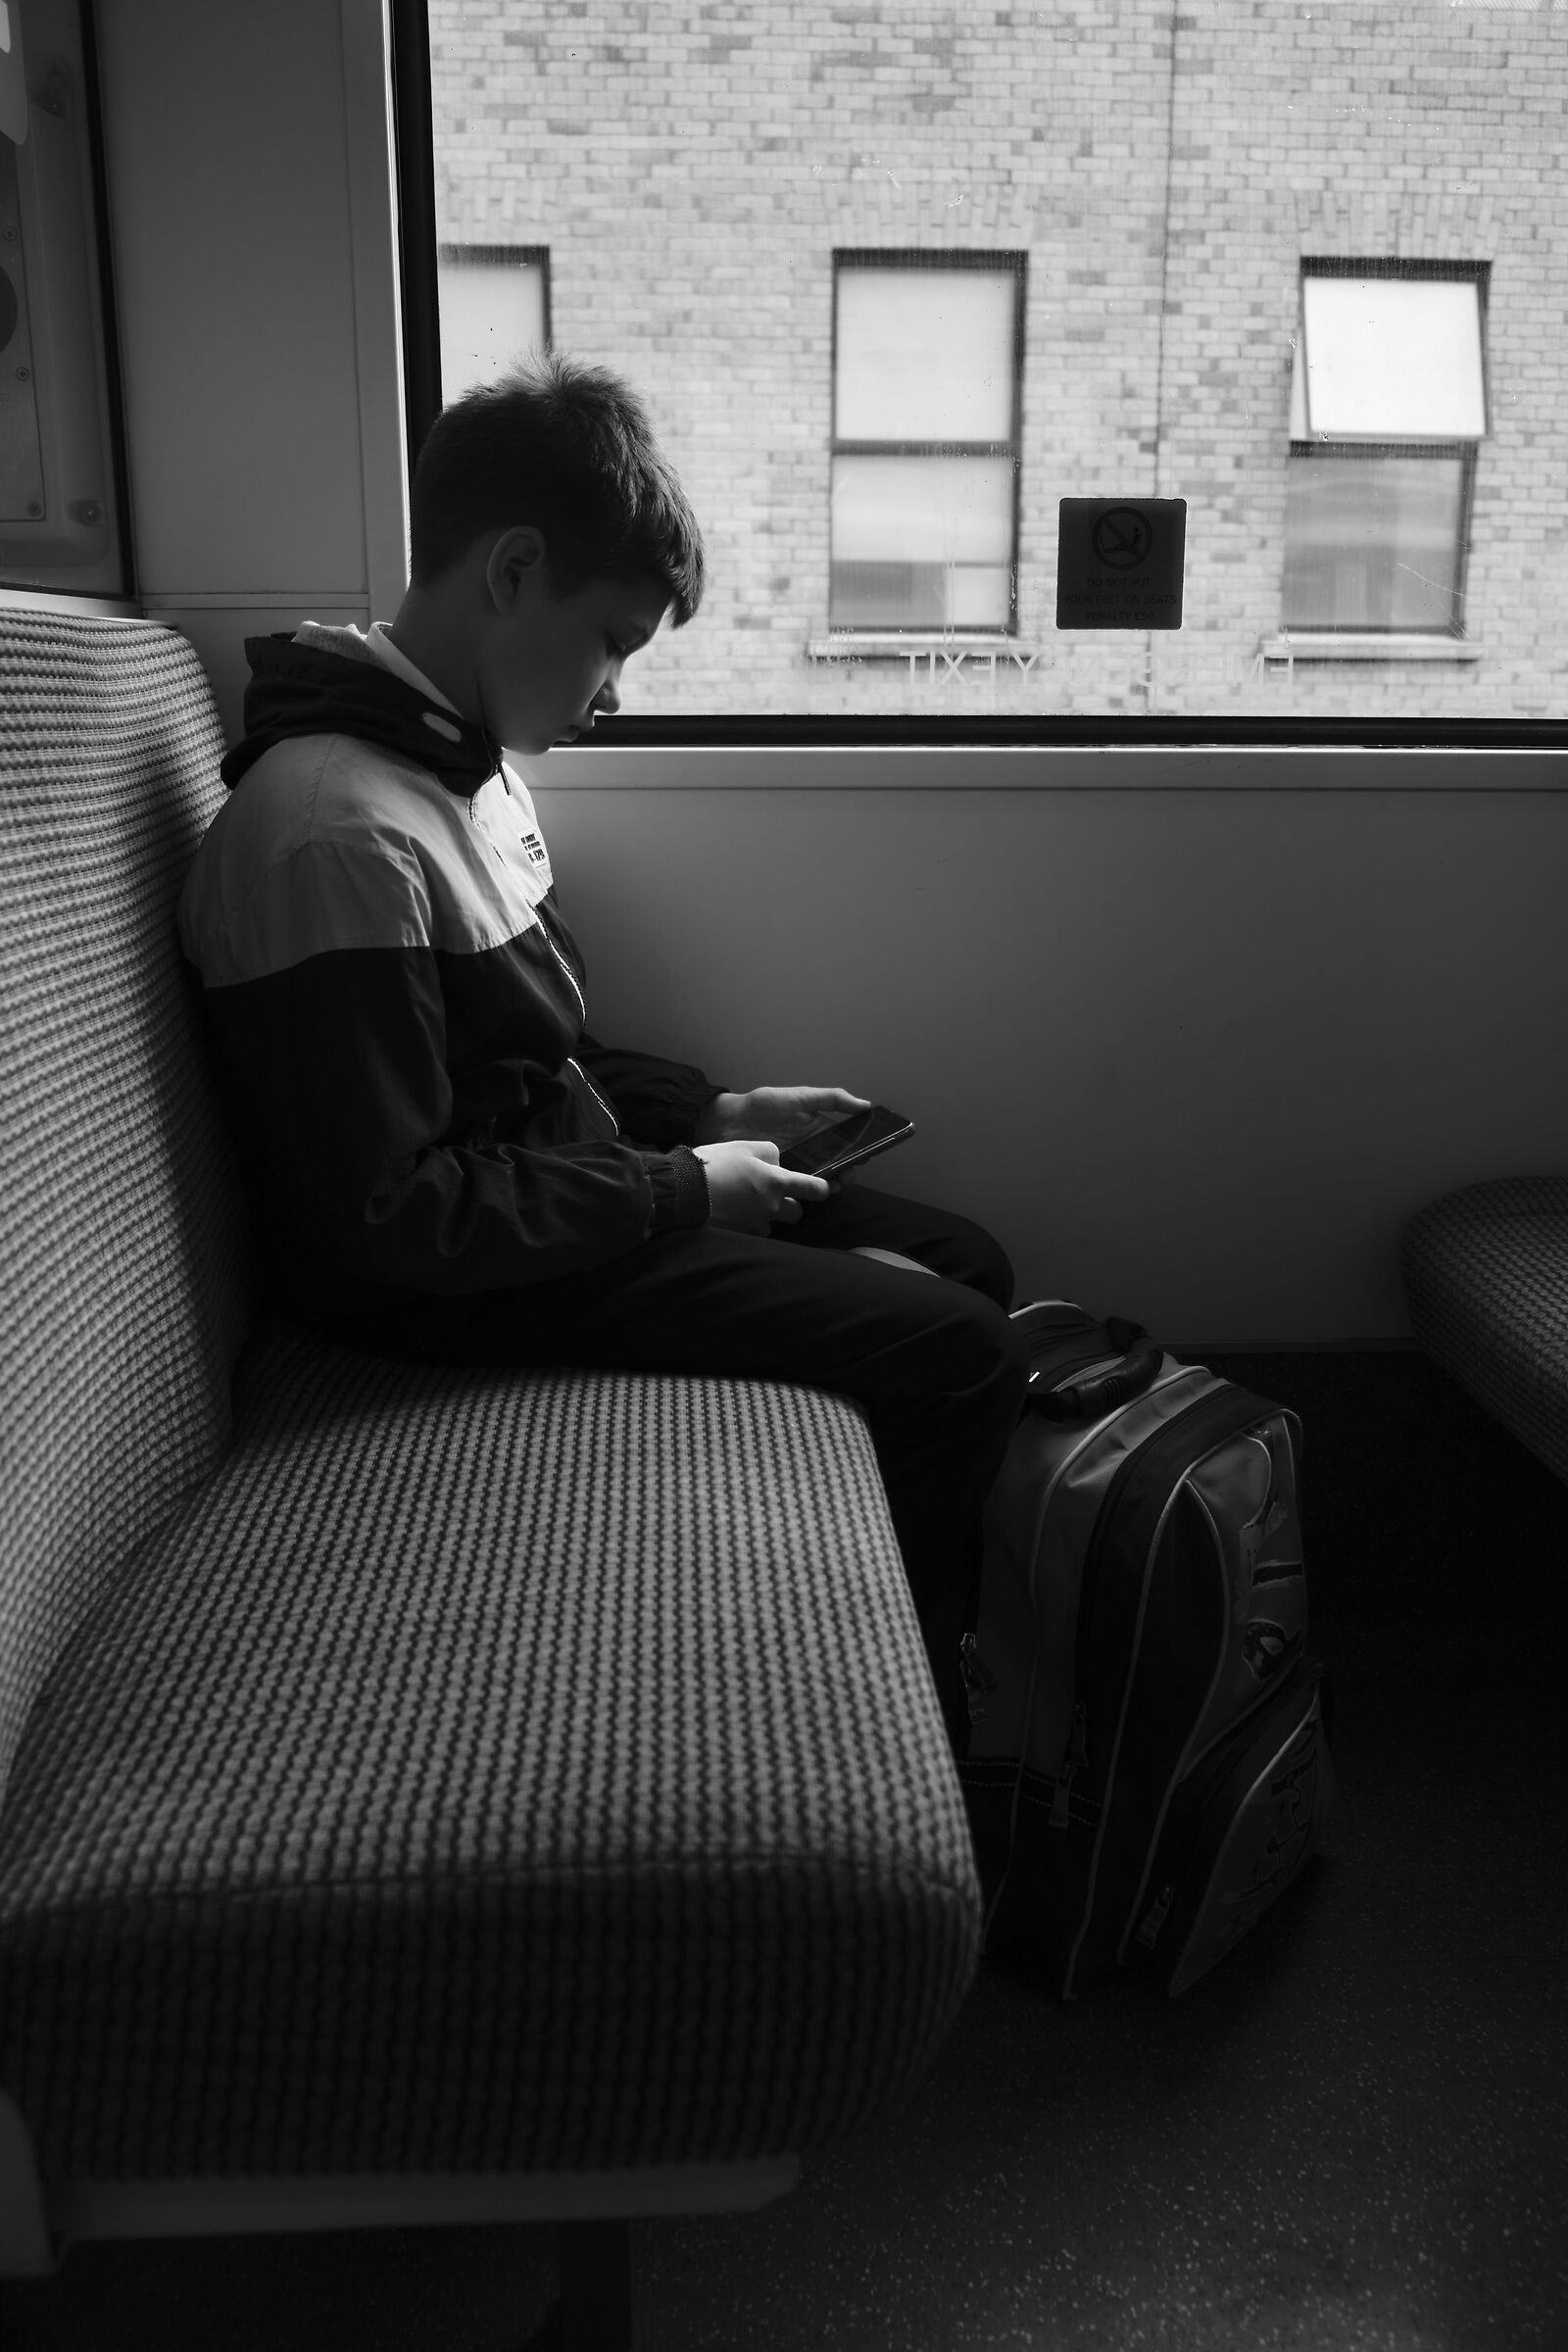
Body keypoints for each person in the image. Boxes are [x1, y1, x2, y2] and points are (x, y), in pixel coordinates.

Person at [177, 347, 1032, 1759]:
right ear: (511, 573)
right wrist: (682, 1190)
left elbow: (529, 1053)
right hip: (443, 1293)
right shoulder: (337, 831)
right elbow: (395, 1216)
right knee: (957, 1352)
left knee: (966, 1259)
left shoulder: (462, 767)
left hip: (546, 1191)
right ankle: (930, 1725)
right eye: (614, 643)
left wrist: (711, 1108)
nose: (616, 692)